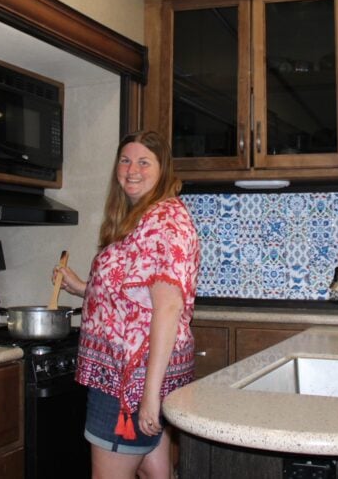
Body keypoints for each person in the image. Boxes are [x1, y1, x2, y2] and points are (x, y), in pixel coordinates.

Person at [53, 130, 200, 478]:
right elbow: (135, 294)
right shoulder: (145, 218)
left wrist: (148, 397)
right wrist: (84, 288)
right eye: (125, 160)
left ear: (162, 169)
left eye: (144, 162)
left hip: (128, 381)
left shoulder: (164, 221)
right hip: (135, 375)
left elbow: (167, 308)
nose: (132, 169)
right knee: (156, 475)